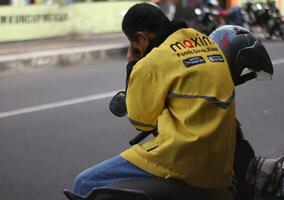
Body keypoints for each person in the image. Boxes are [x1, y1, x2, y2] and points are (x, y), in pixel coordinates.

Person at [74, 3, 236, 199]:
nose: (135, 49)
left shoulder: (153, 62)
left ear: (142, 37)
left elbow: (141, 122)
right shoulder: (206, 41)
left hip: (180, 158)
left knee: (84, 183)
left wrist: (132, 64)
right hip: (220, 164)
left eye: (134, 44)